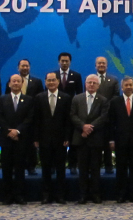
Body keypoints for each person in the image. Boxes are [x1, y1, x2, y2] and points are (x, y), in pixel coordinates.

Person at [33, 72, 72, 204]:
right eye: (48, 80)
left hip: (61, 140)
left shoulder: (66, 98)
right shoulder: (39, 97)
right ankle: (46, 195)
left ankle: (60, 195)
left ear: (58, 82)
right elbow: (36, 120)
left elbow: (68, 120)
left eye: (53, 80)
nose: (51, 82)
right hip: (44, 139)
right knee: (46, 169)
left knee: (61, 169)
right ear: (45, 82)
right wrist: (36, 138)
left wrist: (67, 137)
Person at [70, 74, 109, 204]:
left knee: (95, 169)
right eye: (89, 82)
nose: (91, 85)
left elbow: (103, 118)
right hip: (81, 139)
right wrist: (83, 127)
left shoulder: (103, 100)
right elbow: (73, 115)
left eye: (94, 83)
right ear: (85, 84)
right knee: (82, 169)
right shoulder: (77, 98)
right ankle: (83, 195)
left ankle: (96, 194)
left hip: (96, 139)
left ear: (98, 85)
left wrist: (89, 128)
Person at [0, 74, 34, 205]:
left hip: (21, 138)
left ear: (22, 84)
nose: (16, 83)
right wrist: (9, 131)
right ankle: (7, 195)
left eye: (18, 81)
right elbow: (0, 118)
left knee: (20, 168)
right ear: (9, 84)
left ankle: (19, 195)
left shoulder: (28, 100)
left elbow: (29, 118)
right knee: (6, 168)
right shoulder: (1, 100)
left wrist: (17, 131)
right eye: (14, 81)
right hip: (6, 139)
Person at [109, 76, 133, 203]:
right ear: (122, 87)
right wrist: (111, 140)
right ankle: (121, 194)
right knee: (121, 168)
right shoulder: (115, 102)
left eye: (131, 85)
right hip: (120, 141)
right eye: (126, 85)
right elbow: (111, 123)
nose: (129, 87)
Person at [5, 59, 43, 176]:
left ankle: (31, 167)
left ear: (29, 67)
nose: (25, 68)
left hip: (30, 118)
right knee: (15, 145)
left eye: (27, 66)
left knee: (30, 144)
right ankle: (13, 167)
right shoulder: (11, 81)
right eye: (22, 66)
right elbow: (7, 97)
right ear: (18, 67)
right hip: (14, 118)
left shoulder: (36, 82)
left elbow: (40, 98)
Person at [56, 52, 84, 175]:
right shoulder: (53, 75)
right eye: (62, 61)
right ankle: (54, 165)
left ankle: (73, 164)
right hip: (56, 113)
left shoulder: (76, 76)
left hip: (72, 112)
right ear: (59, 62)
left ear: (70, 62)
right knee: (56, 139)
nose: (65, 63)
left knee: (73, 140)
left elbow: (79, 95)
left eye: (67, 61)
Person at [96, 56, 119, 175]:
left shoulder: (113, 80)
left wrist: (106, 108)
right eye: (99, 63)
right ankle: (96, 166)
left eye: (103, 63)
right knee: (96, 144)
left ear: (107, 65)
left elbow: (115, 97)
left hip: (109, 117)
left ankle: (109, 166)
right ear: (95, 65)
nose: (101, 65)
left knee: (108, 143)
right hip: (94, 117)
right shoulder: (91, 80)